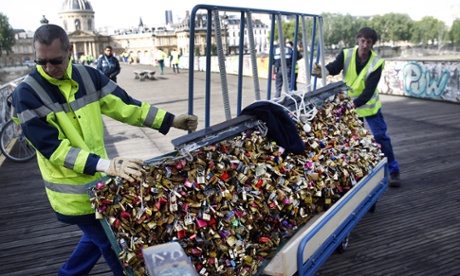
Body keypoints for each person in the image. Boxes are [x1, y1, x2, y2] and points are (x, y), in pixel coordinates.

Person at [11, 24, 199, 276]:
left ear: (70, 51)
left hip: (100, 182)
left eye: (55, 61)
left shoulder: (88, 75)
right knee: (117, 248)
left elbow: (126, 106)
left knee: (98, 238)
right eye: (40, 62)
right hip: (73, 193)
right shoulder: (26, 93)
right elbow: (54, 149)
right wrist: (107, 165)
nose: (48, 68)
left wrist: (170, 120)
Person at [312, 27, 401, 188]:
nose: (365, 45)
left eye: (368, 42)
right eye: (362, 41)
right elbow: (333, 68)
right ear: (357, 40)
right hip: (351, 107)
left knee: (380, 137)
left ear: (372, 44)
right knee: (354, 141)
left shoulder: (376, 62)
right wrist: (321, 71)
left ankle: (393, 170)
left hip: (368, 106)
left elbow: (368, 91)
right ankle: (359, 172)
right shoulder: (346, 54)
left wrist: (350, 105)